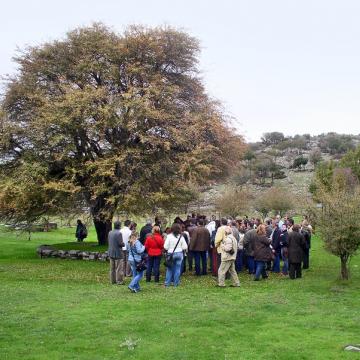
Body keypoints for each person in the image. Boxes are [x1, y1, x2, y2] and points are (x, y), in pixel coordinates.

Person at [108, 221, 125, 285]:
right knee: (119, 268)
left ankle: (112, 281)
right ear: (119, 226)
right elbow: (120, 243)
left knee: (112, 268)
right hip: (118, 252)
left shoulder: (110, 232)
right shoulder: (119, 233)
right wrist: (124, 244)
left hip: (111, 252)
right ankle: (119, 281)